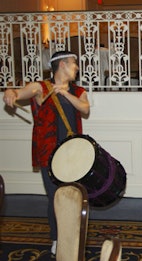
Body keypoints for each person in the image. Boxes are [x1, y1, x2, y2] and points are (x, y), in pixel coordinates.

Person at [2, 50, 90, 256]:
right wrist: (10, 92)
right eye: (73, 63)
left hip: (73, 153)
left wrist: (64, 92)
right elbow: (20, 92)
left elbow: (85, 109)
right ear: (62, 65)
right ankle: (57, 238)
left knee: (75, 196)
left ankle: (74, 236)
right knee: (55, 197)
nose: (76, 67)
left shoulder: (78, 91)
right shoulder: (41, 87)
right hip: (49, 153)